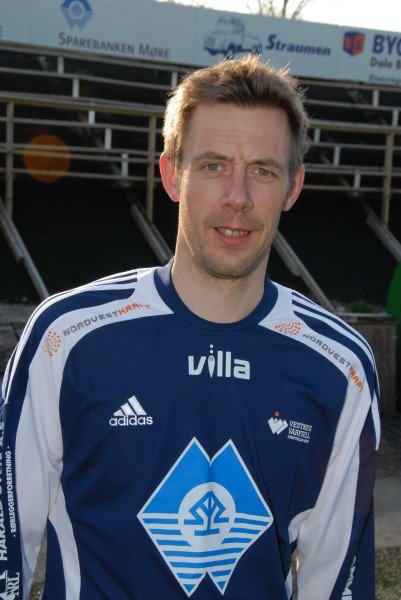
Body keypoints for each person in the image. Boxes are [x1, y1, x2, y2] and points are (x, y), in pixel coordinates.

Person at [0, 55, 380, 600]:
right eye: (214, 165)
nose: (238, 198)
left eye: (263, 171)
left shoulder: (340, 369)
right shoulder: (67, 339)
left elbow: (337, 581)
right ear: (171, 174)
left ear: (293, 188)